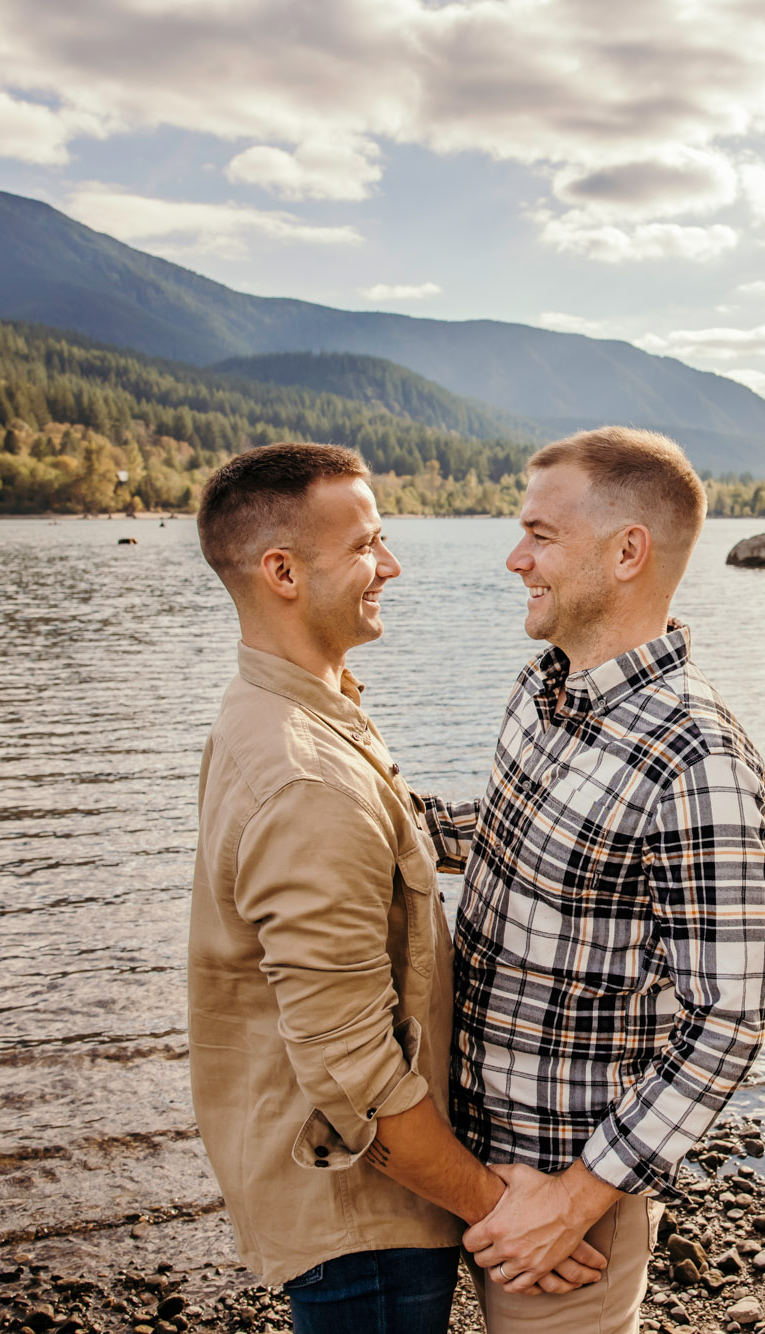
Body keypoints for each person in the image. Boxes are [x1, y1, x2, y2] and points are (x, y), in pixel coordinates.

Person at [186, 443, 603, 1334]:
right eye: (368, 545)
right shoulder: (305, 781)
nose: (393, 566)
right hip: (365, 1222)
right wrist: (502, 1206)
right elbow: (359, 1078)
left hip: (345, 1202)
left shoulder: (280, 711)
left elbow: (397, 831)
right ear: (283, 571)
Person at [422, 427, 765, 1333]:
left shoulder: (696, 759)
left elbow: (726, 1019)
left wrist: (576, 1200)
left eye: (540, 534)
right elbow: (508, 842)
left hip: (561, 1200)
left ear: (628, 552)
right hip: (464, 1163)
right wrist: (355, 793)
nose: (515, 558)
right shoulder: (541, 692)